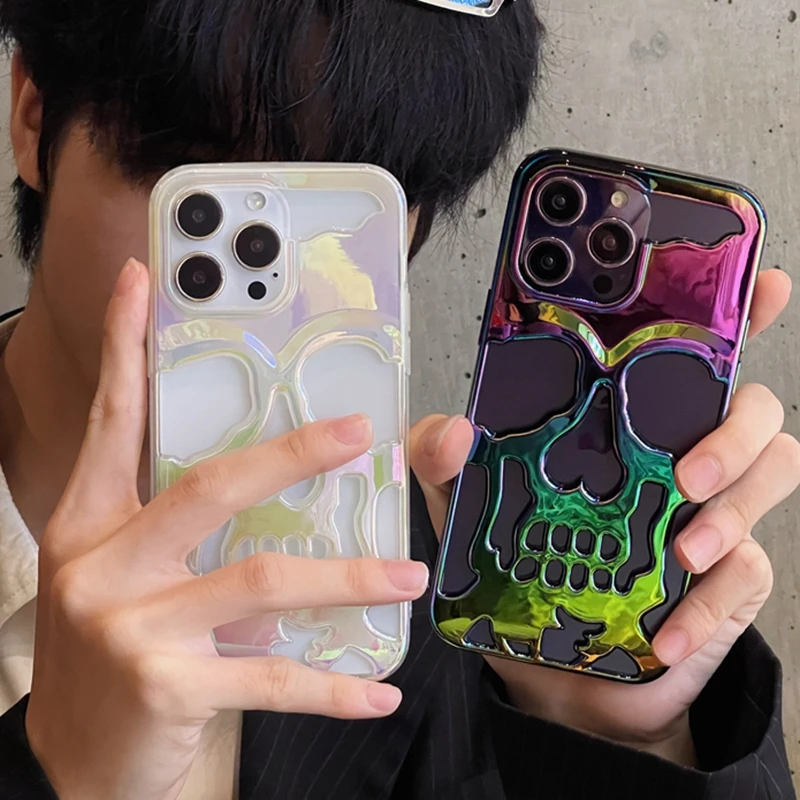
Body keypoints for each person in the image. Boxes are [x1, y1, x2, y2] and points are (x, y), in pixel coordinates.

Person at [0, 0, 797, 798]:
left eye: (350, 205)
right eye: (198, 199)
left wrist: (624, 738)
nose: (294, 285)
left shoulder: (476, 588)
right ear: (34, 117)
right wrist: (64, 775)